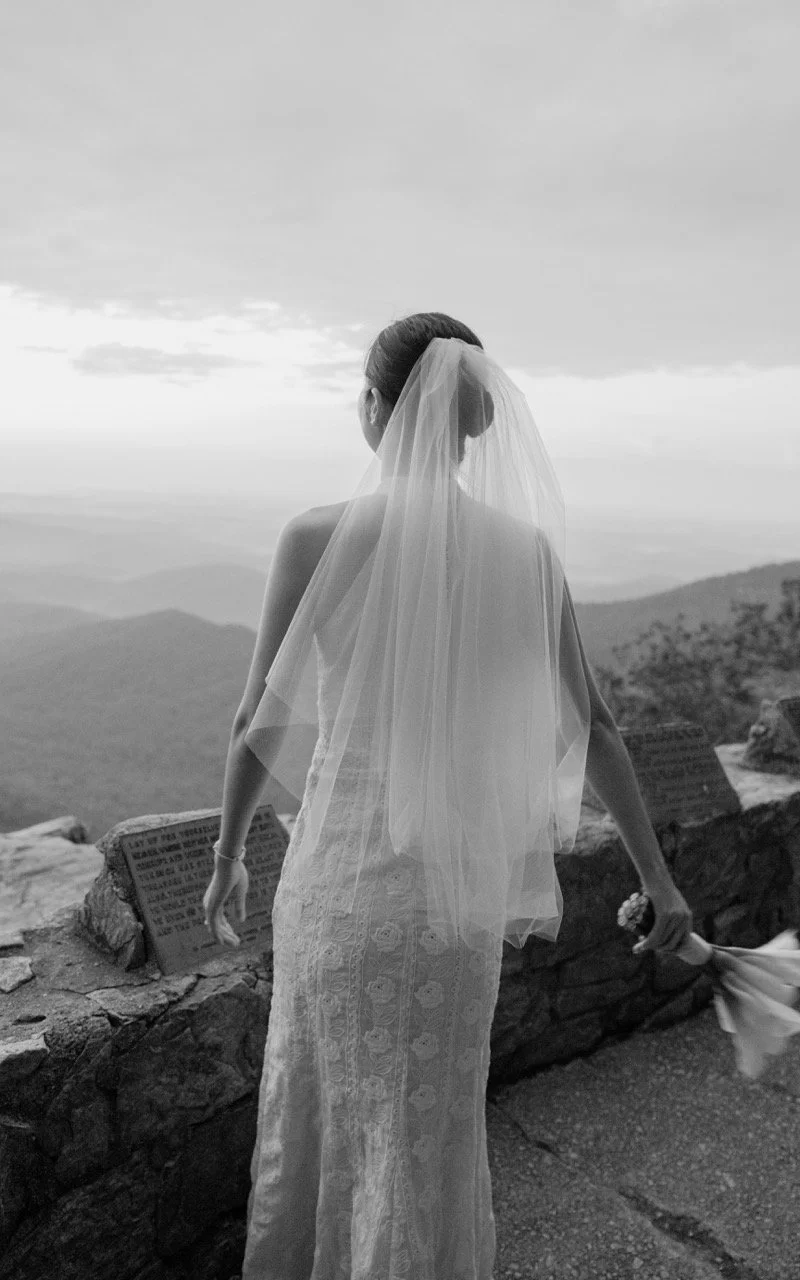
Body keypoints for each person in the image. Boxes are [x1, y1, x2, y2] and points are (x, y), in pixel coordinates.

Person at [202, 312, 693, 1279]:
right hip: (453, 912)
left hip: (339, 893)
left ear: (375, 408)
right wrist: (662, 884)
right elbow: (594, 728)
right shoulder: (527, 553)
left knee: (317, 1119)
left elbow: (256, 718)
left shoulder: (316, 536)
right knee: (424, 1145)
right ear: (471, 424)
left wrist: (225, 856)